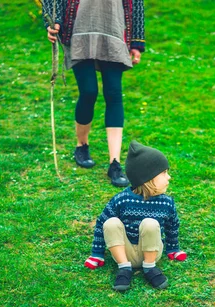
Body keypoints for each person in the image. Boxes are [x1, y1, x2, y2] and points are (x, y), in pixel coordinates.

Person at [43, 0, 145, 187]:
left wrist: (137, 41)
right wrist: (52, 21)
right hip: (79, 30)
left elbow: (137, 2)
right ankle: (82, 145)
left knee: (114, 93)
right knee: (89, 91)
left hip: (114, 30)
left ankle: (114, 163)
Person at [84, 140, 187, 292]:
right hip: (125, 252)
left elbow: (172, 226)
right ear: (148, 178)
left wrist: (173, 249)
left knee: (150, 223)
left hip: (152, 252)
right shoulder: (122, 200)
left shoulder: (167, 203)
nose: (169, 177)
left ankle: (150, 268)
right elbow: (101, 224)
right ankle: (124, 268)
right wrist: (97, 254)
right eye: (164, 173)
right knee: (110, 222)